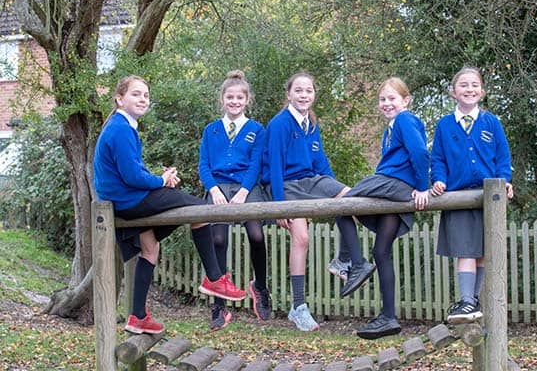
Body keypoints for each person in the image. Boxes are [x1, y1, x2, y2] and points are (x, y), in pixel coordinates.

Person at [93, 75, 246, 335]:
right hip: (129, 200)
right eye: (136, 94)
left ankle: (137, 316)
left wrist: (159, 180)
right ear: (120, 99)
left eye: (146, 95)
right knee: (199, 210)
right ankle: (214, 279)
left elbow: (131, 170)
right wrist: (161, 180)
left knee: (150, 249)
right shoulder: (120, 128)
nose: (143, 99)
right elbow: (131, 176)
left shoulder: (123, 125)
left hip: (123, 199)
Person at [262, 72, 361, 331]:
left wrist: (334, 190)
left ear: (314, 95)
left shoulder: (311, 124)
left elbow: (321, 163)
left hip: (311, 180)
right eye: (299, 91)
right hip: (286, 186)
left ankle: (342, 260)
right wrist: (280, 205)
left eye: (308, 91)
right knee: (302, 238)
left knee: (350, 198)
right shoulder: (280, 124)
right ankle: (298, 307)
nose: (304, 95)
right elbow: (274, 166)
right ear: (289, 94)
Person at [336, 77, 430, 339]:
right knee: (382, 251)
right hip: (395, 188)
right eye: (382, 99)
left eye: (392, 98)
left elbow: (421, 153)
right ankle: (388, 317)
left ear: (406, 100)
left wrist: (423, 187)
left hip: (396, 184)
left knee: (342, 205)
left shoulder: (405, 120)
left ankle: (356, 263)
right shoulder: (390, 129)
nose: (387, 104)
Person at [430, 66, 513, 324]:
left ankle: (472, 302)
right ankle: (467, 300)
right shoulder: (445, 125)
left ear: (482, 91)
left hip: (488, 198)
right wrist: (439, 180)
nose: (469, 89)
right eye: (463, 85)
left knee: (482, 252)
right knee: (465, 250)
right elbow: (438, 158)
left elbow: (502, 158)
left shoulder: (491, 123)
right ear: (454, 92)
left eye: (474, 85)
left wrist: (505, 182)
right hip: (458, 197)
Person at [198, 70, 272, 332]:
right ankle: (219, 304)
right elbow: (204, 165)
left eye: (240, 97)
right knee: (217, 239)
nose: (235, 101)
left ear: (247, 99)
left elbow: (255, 165)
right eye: (230, 97)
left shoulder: (256, 129)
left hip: (246, 187)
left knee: (256, 235)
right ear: (223, 99)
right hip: (219, 186)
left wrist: (243, 192)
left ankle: (260, 288)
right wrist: (214, 189)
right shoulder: (211, 130)